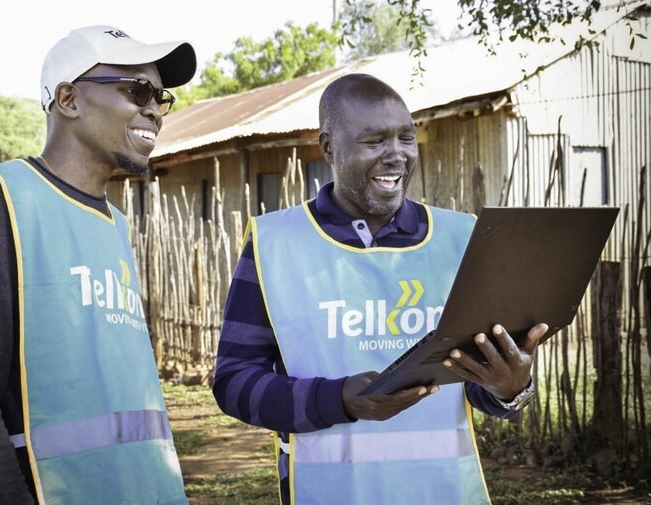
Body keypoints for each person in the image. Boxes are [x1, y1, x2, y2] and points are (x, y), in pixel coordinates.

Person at [213, 73, 549, 504]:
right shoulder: (274, 243)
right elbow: (234, 382)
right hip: (328, 494)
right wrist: (339, 400)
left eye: (406, 139)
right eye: (374, 141)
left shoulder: (460, 239)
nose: (397, 156)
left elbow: (477, 382)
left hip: (445, 493)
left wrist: (510, 387)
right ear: (329, 146)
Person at [0, 25, 197, 504]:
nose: (154, 110)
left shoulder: (114, 224)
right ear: (69, 100)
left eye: (161, 97)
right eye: (137, 90)